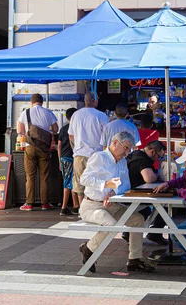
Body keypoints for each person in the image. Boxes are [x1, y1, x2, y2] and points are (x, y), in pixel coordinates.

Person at [78, 131, 154, 273]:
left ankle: (134, 260)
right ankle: (89, 248)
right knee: (111, 225)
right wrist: (105, 185)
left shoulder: (123, 161)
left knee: (138, 219)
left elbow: (126, 184)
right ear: (114, 143)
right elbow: (84, 179)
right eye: (125, 148)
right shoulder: (99, 157)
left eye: (129, 149)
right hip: (92, 205)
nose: (127, 152)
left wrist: (113, 192)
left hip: (113, 204)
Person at [17, 94, 58, 212]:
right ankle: (45, 204)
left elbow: (19, 130)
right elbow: (55, 129)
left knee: (30, 176)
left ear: (32, 102)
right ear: (42, 102)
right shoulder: (48, 112)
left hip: (30, 147)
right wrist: (45, 132)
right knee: (44, 177)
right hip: (44, 148)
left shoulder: (26, 112)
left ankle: (29, 204)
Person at [69, 92, 109, 205]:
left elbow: (71, 136)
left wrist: (76, 147)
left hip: (79, 154)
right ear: (93, 100)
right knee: (96, 183)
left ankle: (82, 209)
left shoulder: (76, 115)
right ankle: (94, 207)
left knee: (80, 184)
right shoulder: (101, 115)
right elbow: (106, 135)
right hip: (96, 155)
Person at [126, 140, 168, 245]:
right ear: (153, 151)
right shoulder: (142, 159)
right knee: (167, 205)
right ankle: (155, 233)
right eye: (159, 156)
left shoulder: (136, 154)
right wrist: (160, 174)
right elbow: (149, 178)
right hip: (133, 194)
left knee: (145, 211)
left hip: (130, 192)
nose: (159, 160)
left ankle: (127, 233)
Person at [58, 107, 79, 216]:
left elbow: (59, 145)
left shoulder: (63, 129)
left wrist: (59, 160)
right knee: (69, 183)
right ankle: (64, 207)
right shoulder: (76, 128)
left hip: (64, 158)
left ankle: (75, 206)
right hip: (73, 158)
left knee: (69, 182)